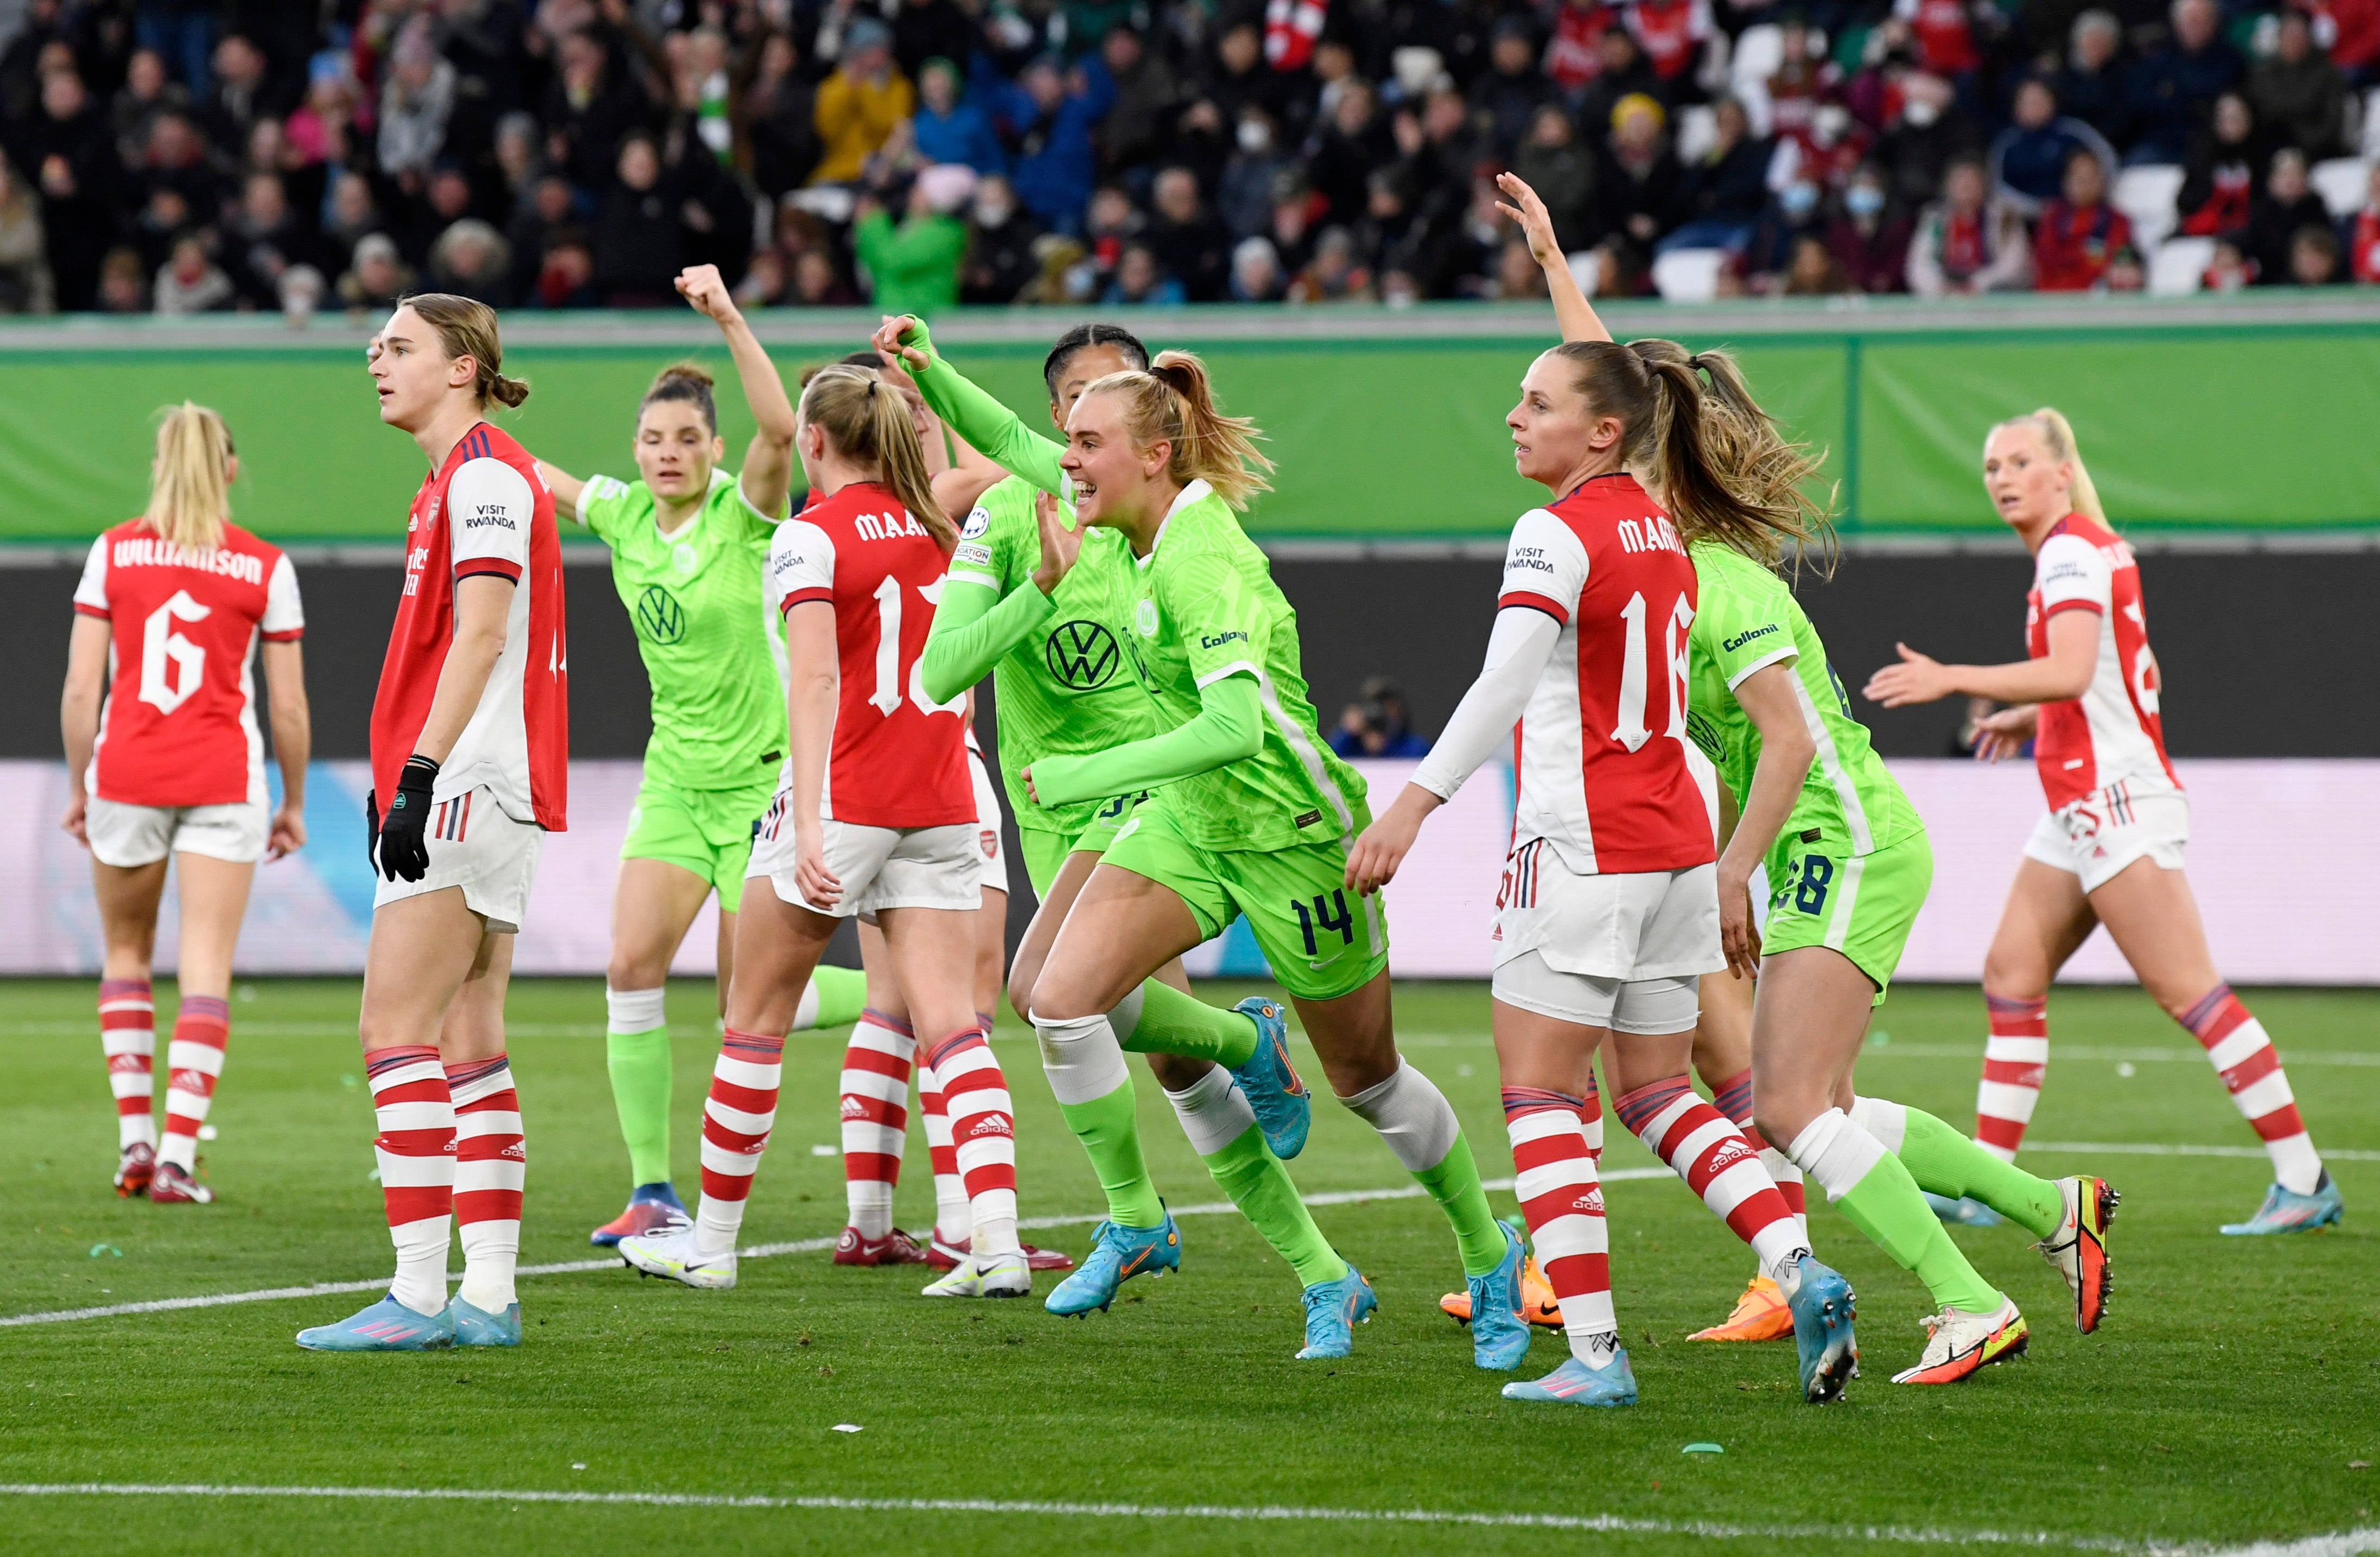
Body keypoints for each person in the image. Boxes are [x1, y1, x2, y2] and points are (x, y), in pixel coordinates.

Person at [885, 317, 1523, 1366]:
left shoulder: (1196, 556)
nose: (1064, 460)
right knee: (1055, 995)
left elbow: (1235, 727)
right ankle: (1166, 1225)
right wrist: (930, 368)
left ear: (1151, 452)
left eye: (1087, 444)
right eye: (1068, 437)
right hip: (1188, 817)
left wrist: (1083, 773)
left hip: (1289, 831)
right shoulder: (1110, 508)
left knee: (1366, 1082)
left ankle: (1488, 1252)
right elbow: (1010, 438)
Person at [1344, 175, 1828, 1411]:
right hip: (1677, 845)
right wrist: (1557, 260)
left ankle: (1596, 1356)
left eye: (1539, 402)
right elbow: (1621, 382)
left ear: (1599, 432)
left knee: (1540, 1098)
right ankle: (1797, 1261)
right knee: (1659, 1090)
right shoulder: (1660, 527)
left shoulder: (1551, 534)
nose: (1516, 416)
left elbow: (1504, 681)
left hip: (1581, 847)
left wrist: (1415, 802)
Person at [1864, 411, 2341, 1237]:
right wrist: (2027, 720)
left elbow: (2072, 668)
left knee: (2189, 992)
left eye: (2019, 461)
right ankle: (1988, 1180)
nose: (2003, 477)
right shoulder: (2086, 546)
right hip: (2080, 800)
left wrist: (1954, 679)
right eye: (1990, 466)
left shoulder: (2069, 552)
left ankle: (2303, 1178)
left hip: (2115, 799)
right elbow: (2096, 683)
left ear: (2059, 471)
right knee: (2010, 973)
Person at [619, 364, 1033, 1299]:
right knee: (953, 1027)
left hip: (846, 797)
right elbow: (1011, 473)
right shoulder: (940, 525)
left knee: (751, 1019)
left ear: (812, 442)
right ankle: (998, 1244)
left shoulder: (808, 537)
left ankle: (712, 1246)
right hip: (940, 800)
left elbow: (813, 681)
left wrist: (804, 818)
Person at [533, 266, 868, 1250]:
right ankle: (650, 1190)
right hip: (676, 780)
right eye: (652, 439)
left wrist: (726, 316)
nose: (668, 453)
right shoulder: (624, 515)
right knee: (628, 963)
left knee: (742, 1005)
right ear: (634, 450)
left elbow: (778, 430)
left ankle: (896, 995)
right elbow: (531, 472)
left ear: (714, 450)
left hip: (765, 782)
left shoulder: (743, 511)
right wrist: (457, 416)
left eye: (686, 439)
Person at [297, 294, 567, 1351]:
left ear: (462, 367)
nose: (377, 357)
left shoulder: (487, 476)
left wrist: (417, 771)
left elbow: (484, 633)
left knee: (393, 1030)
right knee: (471, 1037)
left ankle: (416, 1294)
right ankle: (488, 1297)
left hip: (467, 785)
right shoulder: (466, 477)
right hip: (493, 786)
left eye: (400, 345)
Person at [62, 403, 310, 1206]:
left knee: (125, 953)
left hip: (127, 773)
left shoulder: (113, 551)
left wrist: (80, 785)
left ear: (158, 469)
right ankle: (176, 1155)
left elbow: (78, 690)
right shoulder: (265, 565)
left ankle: (134, 1141)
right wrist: (294, 799)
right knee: (205, 966)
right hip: (220, 778)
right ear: (230, 469)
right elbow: (290, 710)